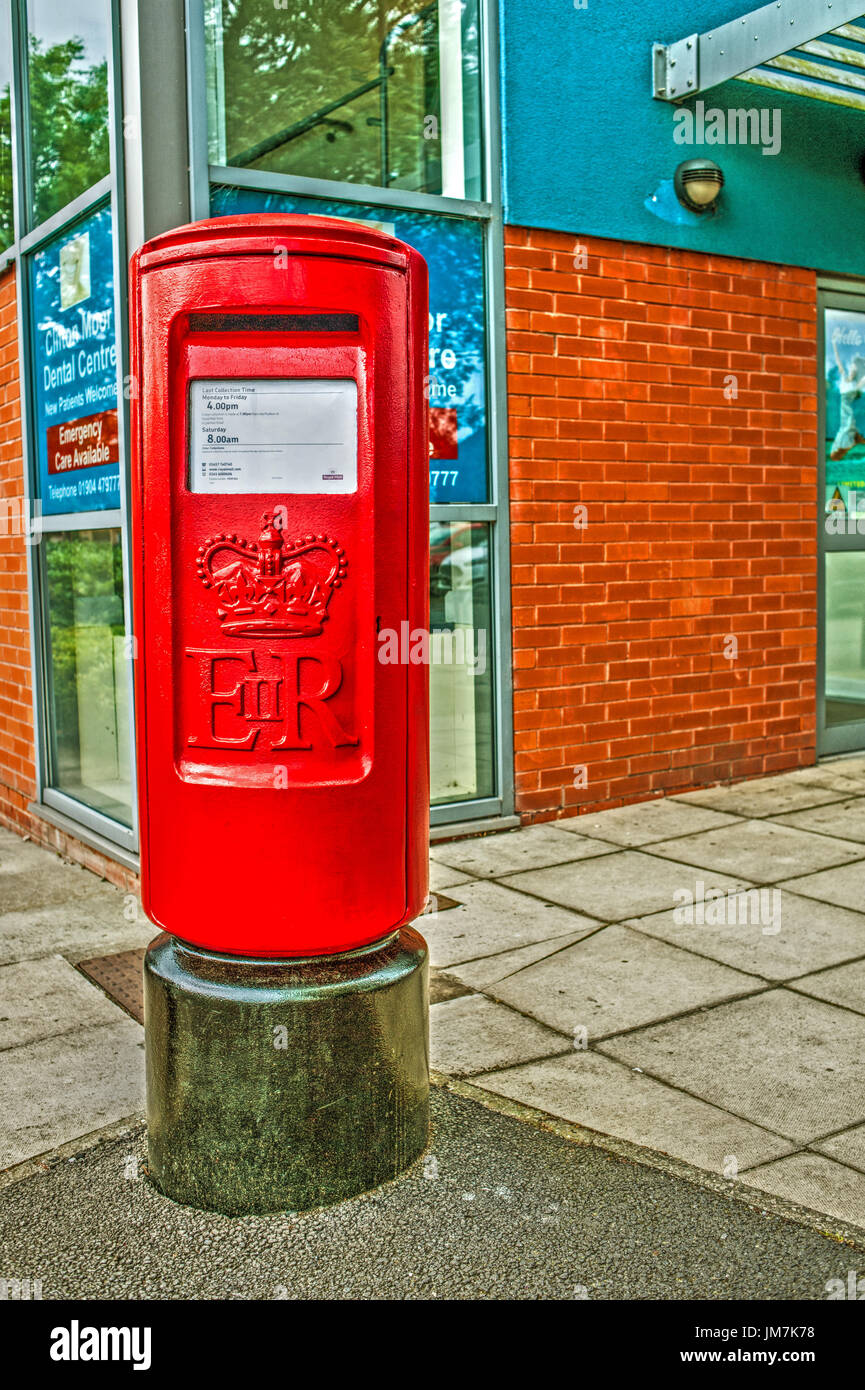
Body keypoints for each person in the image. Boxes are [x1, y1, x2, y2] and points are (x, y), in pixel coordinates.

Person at [829, 337, 865, 461]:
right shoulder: (844, 377)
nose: (852, 371)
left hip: (851, 407)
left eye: (854, 370)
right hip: (846, 407)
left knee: (849, 425)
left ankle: (843, 447)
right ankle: (837, 449)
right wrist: (834, 344)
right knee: (846, 426)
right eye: (851, 369)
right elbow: (838, 360)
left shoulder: (857, 384)